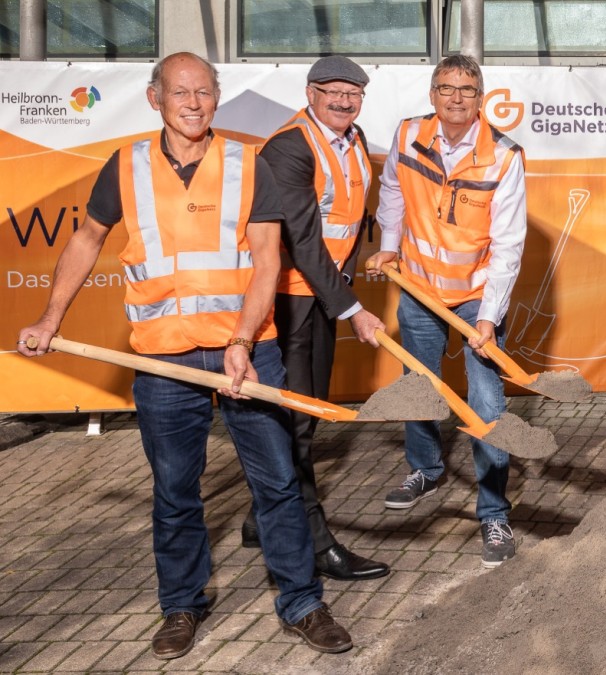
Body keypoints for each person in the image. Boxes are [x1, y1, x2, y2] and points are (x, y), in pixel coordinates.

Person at [15, 52, 352, 659]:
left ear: (216, 99)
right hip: (162, 364)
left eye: (204, 92)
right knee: (175, 491)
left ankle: (302, 602)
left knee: (277, 484)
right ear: (155, 99)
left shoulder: (249, 164)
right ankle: (181, 606)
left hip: (246, 356)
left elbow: (268, 262)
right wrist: (49, 318)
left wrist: (243, 343)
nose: (193, 103)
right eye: (180, 92)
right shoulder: (127, 166)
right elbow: (87, 238)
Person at [365, 54, 526, 568]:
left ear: (481, 99)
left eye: (467, 89)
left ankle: (494, 513)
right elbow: (391, 190)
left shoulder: (504, 155)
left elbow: (509, 244)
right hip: (418, 285)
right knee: (420, 382)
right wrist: (390, 244)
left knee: (485, 400)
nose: (456, 98)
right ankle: (426, 469)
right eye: (446, 88)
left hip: (477, 291)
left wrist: (489, 316)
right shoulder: (409, 134)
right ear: (432, 94)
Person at [243, 55, 389, 582]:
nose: (344, 101)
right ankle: (314, 542)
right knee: (298, 421)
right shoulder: (289, 147)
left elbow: (346, 226)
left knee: (302, 415)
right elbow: (302, 240)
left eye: (353, 93)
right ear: (310, 93)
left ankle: (261, 516)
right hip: (287, 302)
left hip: (322, 297)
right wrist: (351, 309)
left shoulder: (353, 139)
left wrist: (343, 291)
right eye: (333, 91)